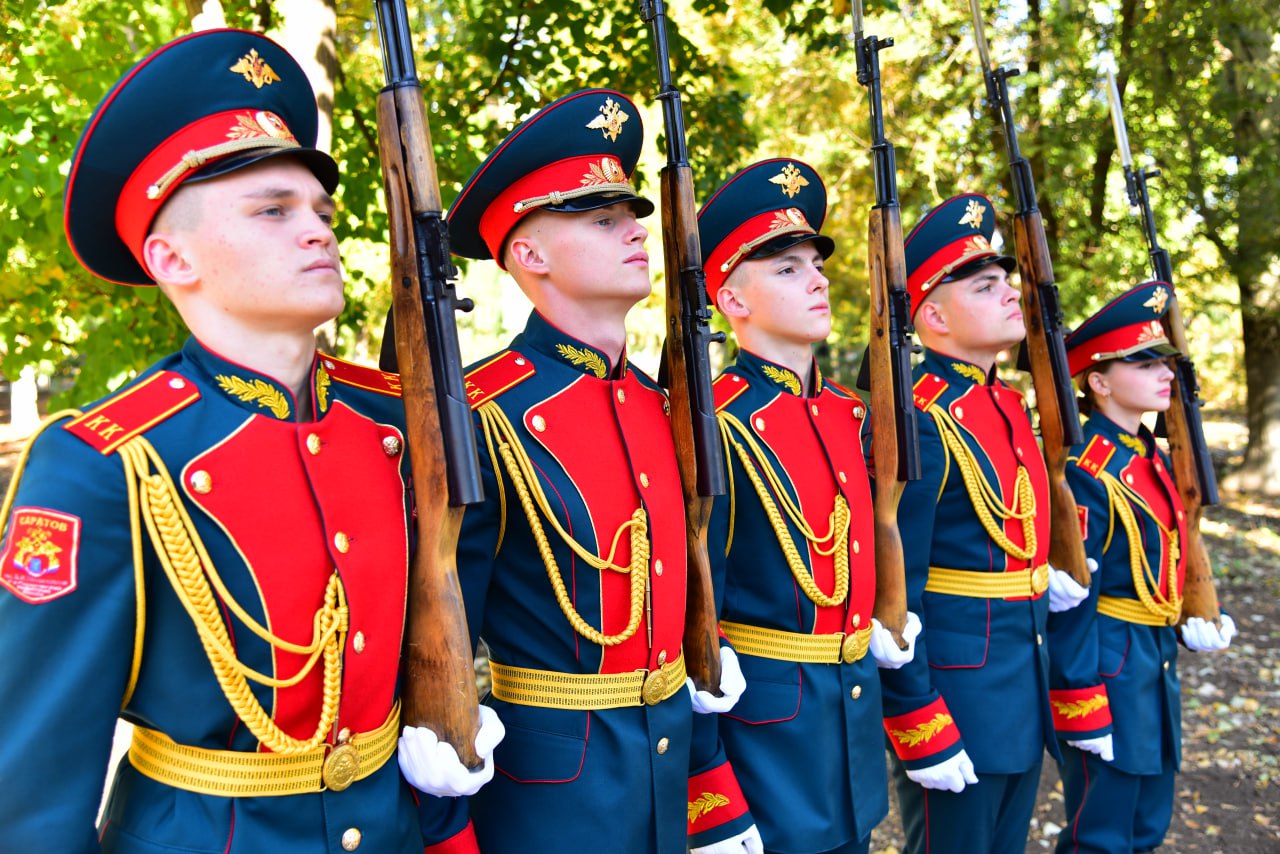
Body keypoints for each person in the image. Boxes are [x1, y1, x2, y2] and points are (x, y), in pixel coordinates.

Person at [0, 29, 497, 852]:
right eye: (273, 210)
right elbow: (36, 786)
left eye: (321, 212)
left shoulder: (395, 425)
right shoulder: (108, 463)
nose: (319, 231)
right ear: (172, 257)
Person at [433, 88, 749, 853]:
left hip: (667, 785)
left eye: (631, 214)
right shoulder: (483, 414)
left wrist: (714, 801)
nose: (636, 229)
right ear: (530, 255)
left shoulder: (665, 406)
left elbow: (680, 633)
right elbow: (437, 648)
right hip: (552, 809)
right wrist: (446, 838)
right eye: (601, 219)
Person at [689, 158, 917, 854]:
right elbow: (692, 618)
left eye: (815, 264)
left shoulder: (852, 414)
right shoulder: (714, 422)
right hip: (766, 752)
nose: (818, 279)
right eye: (787, 268)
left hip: (848, 740)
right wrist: (708, 794)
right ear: (731, 300)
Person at [876, 193, 1065, 853]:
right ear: (933, 315)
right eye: (985, 286)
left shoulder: (1008, 404)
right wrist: (916, 717)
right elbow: (896, 590)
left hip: (1019, 689)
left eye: (1004, 280)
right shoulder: (921, 420)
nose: (1011, 293)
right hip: (956, 702)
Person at [1048, 281, 1236, 853]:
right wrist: (1079, 699)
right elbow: (1073, 601)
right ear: (1099, 382)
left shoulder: (1153, 457)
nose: (1164, 373)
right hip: (1108, 669)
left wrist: (1189, 615)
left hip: (1152, 664)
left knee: (1146, 828)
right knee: (1101, 836)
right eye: (1143, 362)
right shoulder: (1087, 469)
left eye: (1165, 361)